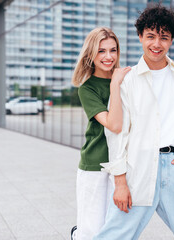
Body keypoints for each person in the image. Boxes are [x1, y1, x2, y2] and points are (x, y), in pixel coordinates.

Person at [94, 5, 174, 240]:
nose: (156, 44)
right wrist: (119, 182)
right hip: (138, 168)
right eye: (150, 36)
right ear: (140, 37)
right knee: (115, 235)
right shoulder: (127, 81)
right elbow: (117, 135)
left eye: (164, 37)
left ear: (171, 40)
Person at [71, 27, 131, 240]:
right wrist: (115, 84)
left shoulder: (129, 79)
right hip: (95, 165)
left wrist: (171, 68)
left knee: (118, 228)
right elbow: (113, 125)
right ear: (90, 54)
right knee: (91, 230)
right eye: (101, 51)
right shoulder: (87, 89)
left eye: (113, 50)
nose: (108, 57)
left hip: (123, 164)